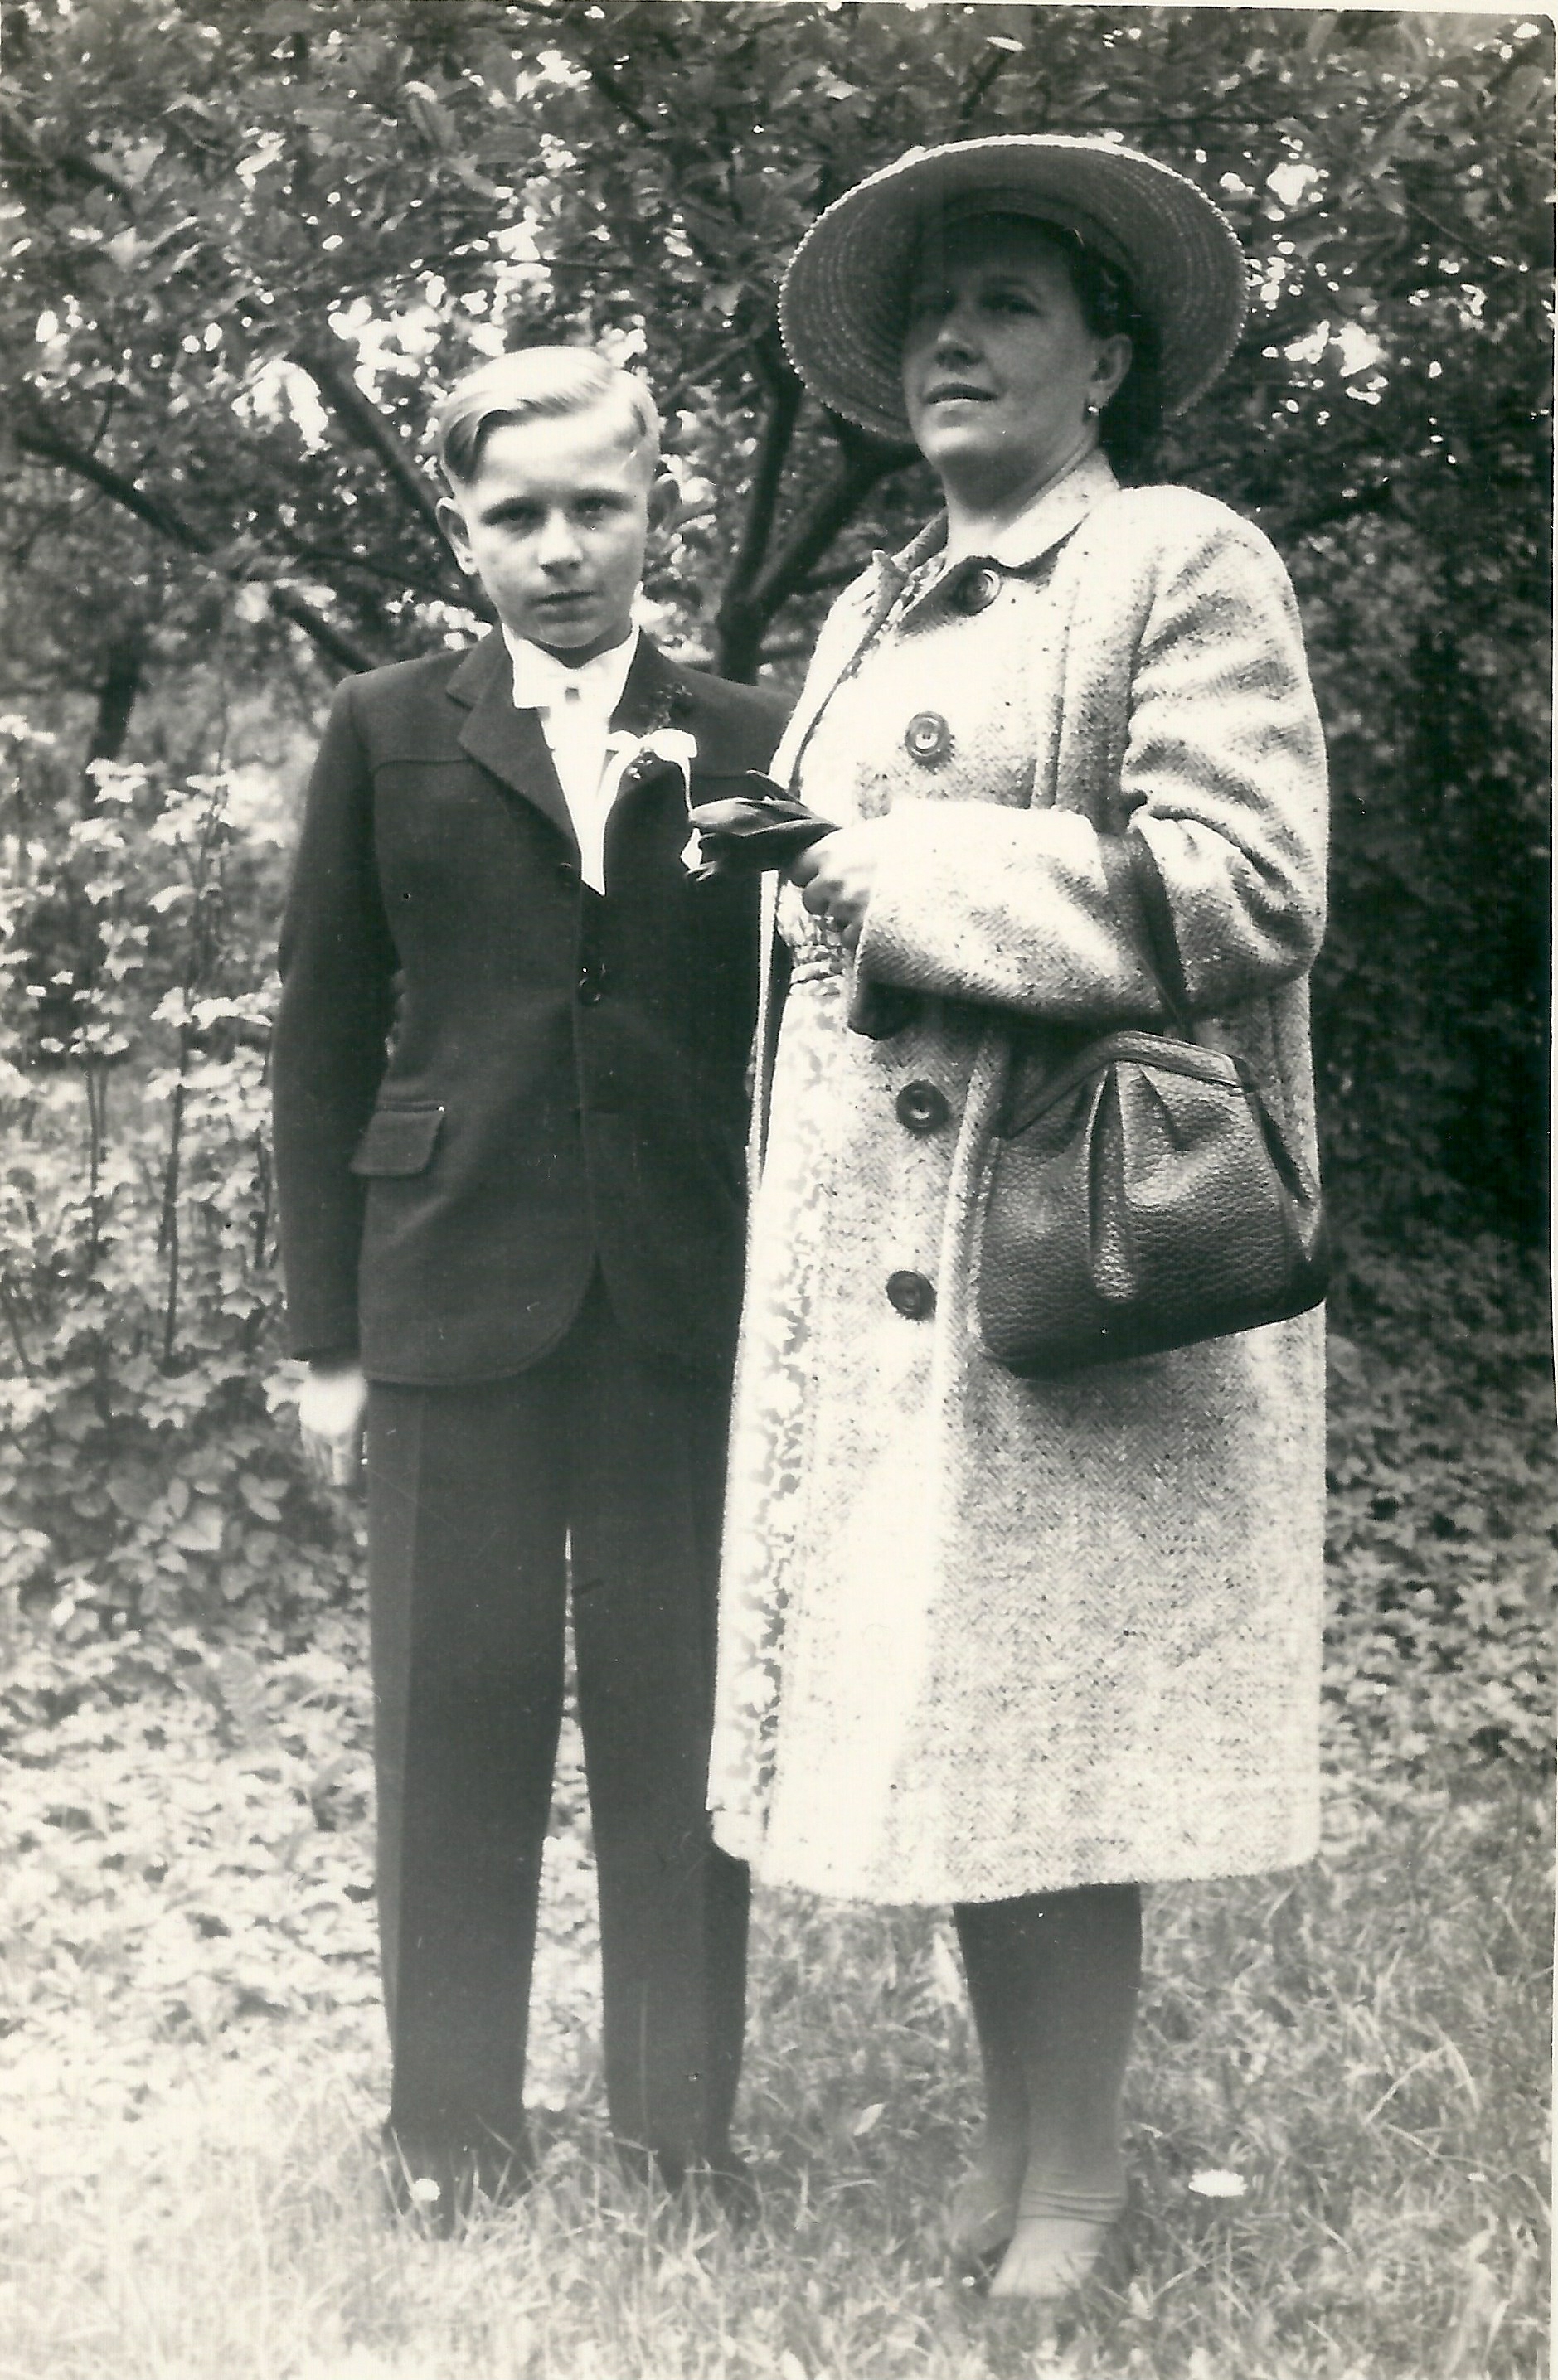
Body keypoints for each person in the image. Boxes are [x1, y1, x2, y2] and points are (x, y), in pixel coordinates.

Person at [705, 136, 1329, 2302]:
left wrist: (884, 873)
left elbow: (1246, 883)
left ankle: (1079, 2179)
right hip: (879, 1253)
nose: (951, 339)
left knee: (1050, 1712)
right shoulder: (874, 602)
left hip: (1064, 1233)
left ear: (1106, 362)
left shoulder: (1176, 557)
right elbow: (825, 900)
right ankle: (1017, 2149)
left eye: (1007, 305)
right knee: (966, 1705)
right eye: (930, 310)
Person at [271, 347, 786, 2228]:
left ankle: (679, 2136)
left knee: (679, 1728)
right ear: (466, 532)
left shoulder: (747, 729)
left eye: (595, 507)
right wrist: (327, 1339)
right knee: (453, 1719)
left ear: (656, 509)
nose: (559, 549)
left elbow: (796, 1036)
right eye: (516, 516)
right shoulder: (387, 725)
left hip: (680, 1300)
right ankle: (448, 2136)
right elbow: (322, 1031)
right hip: (450, 1293)